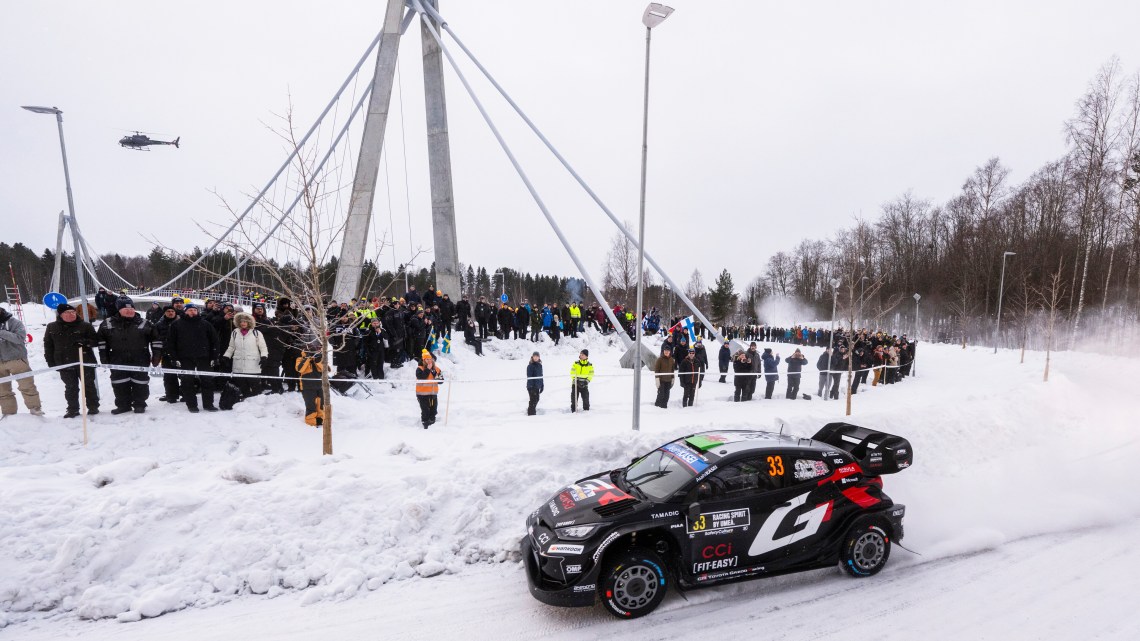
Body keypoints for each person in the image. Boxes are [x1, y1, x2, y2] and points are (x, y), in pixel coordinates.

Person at [96, 296, 161, 414]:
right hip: (117, 359)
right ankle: (123, 405)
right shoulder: (107, 323)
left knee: (140, 382)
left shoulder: (145, 323)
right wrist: (104, 357)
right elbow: (102, 342)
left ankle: (139, 404)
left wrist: (156, 356)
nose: (130, 311)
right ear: (119, 310)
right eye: (126, 309)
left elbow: (156, 341)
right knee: (119, 383)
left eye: (131, 309)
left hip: (140, 358)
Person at [44, 303, 101, 417]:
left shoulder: (85, 325)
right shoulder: (52, 327)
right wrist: (51, 362)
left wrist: (85, 342)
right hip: (64, 362)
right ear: (60, 314)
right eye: (67, 313)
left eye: (73, 312)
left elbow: (96, 341)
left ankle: (93, 406)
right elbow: (48, 346)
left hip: (85, 361)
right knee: (70, 387)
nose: (71, 314)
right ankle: (72, 409)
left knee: (89, 385)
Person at [166, 303, 220, 413]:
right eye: (190, 310)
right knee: (187, 381)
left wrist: (214, 356)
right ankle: (191, 405)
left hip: (204, 357)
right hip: (185, 358)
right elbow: (171, 342)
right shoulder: (176, 325)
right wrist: (174, 357)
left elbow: (214, 341)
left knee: (207, 381)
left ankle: (208, 404)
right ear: (185, 311)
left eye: (194, 310)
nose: (193, 312)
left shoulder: (205, 324)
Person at [0, 304, 44, 417]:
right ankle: (8, 414)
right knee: (3, 390)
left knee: (27, 386)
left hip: (17, 359)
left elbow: (19, 339)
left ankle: (35, 409)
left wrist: (2, 332)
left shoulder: (14, 322)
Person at [222, 312, 269, 398]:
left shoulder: (256, 333)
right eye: (241, 321)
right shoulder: (235, 332)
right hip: (238, 366)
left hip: (253, 366)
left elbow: (263, 347)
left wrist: (264, 357)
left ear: (249, 322)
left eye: (245, 321)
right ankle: (244, 402)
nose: (243, 323)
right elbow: (231, 347)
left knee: (256, 390)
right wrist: (226, 356)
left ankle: (256, 404)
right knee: (243, 389)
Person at [296, 350, 325, 427]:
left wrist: (318, 361)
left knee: (321, 405)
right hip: (307, 387)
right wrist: (307, 358)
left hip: (319, 386)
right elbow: (299, 369)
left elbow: (326, 370)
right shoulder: (300, 359)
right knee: (311, 406)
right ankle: (311, 423)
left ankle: (321, 420)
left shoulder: (319, 358)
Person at [415, 349, 443, 428]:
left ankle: (433, 423)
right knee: (425, 411)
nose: (429, 361)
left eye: (430, 359)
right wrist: (427, 369)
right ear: (424, 360)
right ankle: (425, 424)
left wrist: (434, 373)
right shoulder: (419, 368)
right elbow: (421, 377)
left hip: (433, 394)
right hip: (422, 394)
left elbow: (441, 381)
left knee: (433, 410)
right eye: (427, 359)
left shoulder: (437, 369)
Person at [526, 351, 544, 415]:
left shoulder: (540, 366)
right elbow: (529, 377)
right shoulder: (530, 366)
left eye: (537, 356)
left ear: (539, 357)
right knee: (533, 400)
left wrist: (542, 385)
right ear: (532, 357)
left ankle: (531, 410)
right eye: (534, 356)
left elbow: (541, 376)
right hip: (531, 386)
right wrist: (532, 387)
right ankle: (531, 413)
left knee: (537, 399)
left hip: (537, 386)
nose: (536, 358)